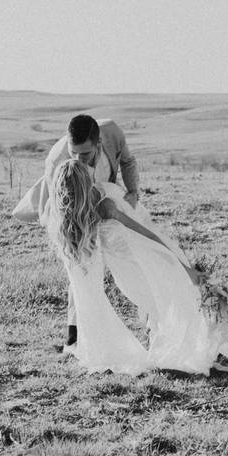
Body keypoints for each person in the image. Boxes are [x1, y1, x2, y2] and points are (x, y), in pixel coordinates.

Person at [44, 159, 228, 375]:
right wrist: (178, 262)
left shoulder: (66, 219)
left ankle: (188, 336)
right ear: (85, 184)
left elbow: (141, 236)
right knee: (170, 301)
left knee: (169, 302)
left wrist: (180, 264)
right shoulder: (103, 206)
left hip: (133, 268)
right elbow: (144, 233)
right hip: (138, 266)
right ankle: (188, 341)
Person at [42, 115, 140, 350]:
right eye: (73, 153)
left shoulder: (113, 134)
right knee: (81, 269)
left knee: (129, 257)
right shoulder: (58, 161)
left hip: (107, 200)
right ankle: (75, 333)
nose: (78, 160)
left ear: (97, 144)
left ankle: (148, 311)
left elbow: (127, 161)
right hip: (74, 213)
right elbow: (51, 208)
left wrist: (133, 191)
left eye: (84, 155)